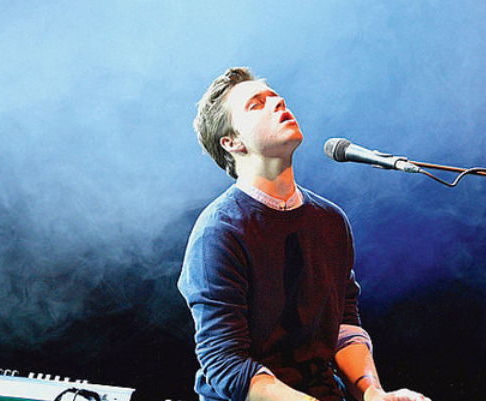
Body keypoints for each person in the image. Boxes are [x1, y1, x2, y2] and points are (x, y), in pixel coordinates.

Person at [178, 67, 430, 401]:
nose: (278, 102)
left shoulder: (330, 220)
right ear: (232, 142)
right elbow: (226, 364)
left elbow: (343, 326)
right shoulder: (219, 232)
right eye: (256, 104)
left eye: (274, 96)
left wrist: (373, 393)